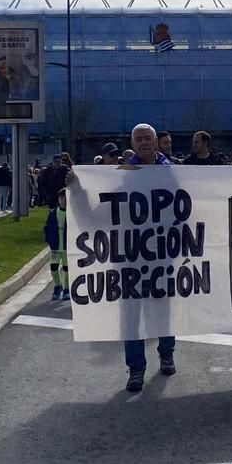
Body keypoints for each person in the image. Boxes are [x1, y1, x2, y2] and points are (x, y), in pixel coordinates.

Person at [70, 123, 176, 393]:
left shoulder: (173, 172)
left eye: (148, 138)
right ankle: (136, 368)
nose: (144, 142)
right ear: (133, 144)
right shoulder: (122, 176)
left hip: (162, 253)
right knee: (131, 315)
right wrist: (79, 189)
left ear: (156, 142)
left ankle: (167, 353)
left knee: (163, 309)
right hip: (129, 255)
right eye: (139, 139)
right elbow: (100, 213)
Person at [43, 188, 70, 301]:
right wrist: (49, 239)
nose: (63, 201)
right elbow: (47, 227)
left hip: (67, 247)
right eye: (61, 198)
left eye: (65, 198)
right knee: (53, 267)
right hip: (55, 246)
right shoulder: (53, 213)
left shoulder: (71, 214)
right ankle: (57, 286)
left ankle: (67, 289)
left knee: (66, 268)